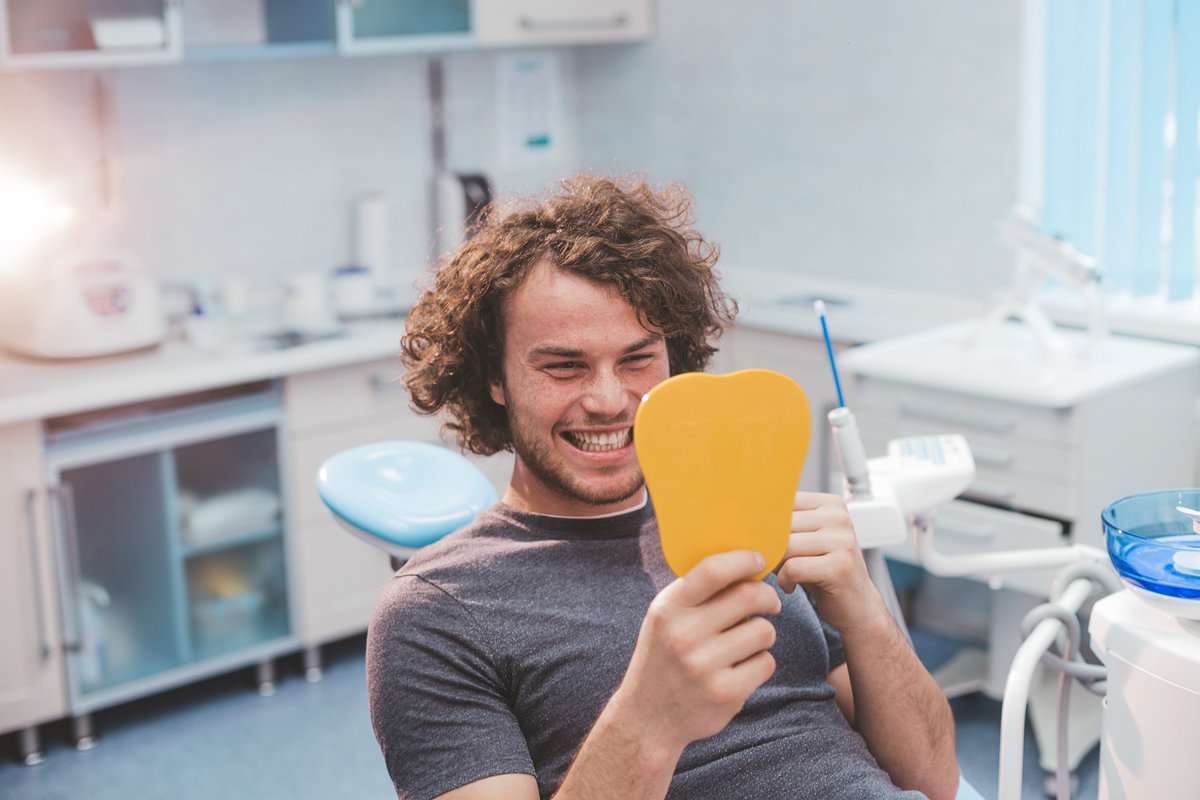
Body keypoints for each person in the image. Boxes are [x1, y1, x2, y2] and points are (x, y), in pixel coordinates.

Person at [366, 174, 959, 800]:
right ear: (493, 377)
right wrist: (648, 718)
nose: (607, 400)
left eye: (637, 359)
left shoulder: (751, 522)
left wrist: (863, 610)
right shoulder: (435, 612)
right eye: (563, 366)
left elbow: (935, 780)